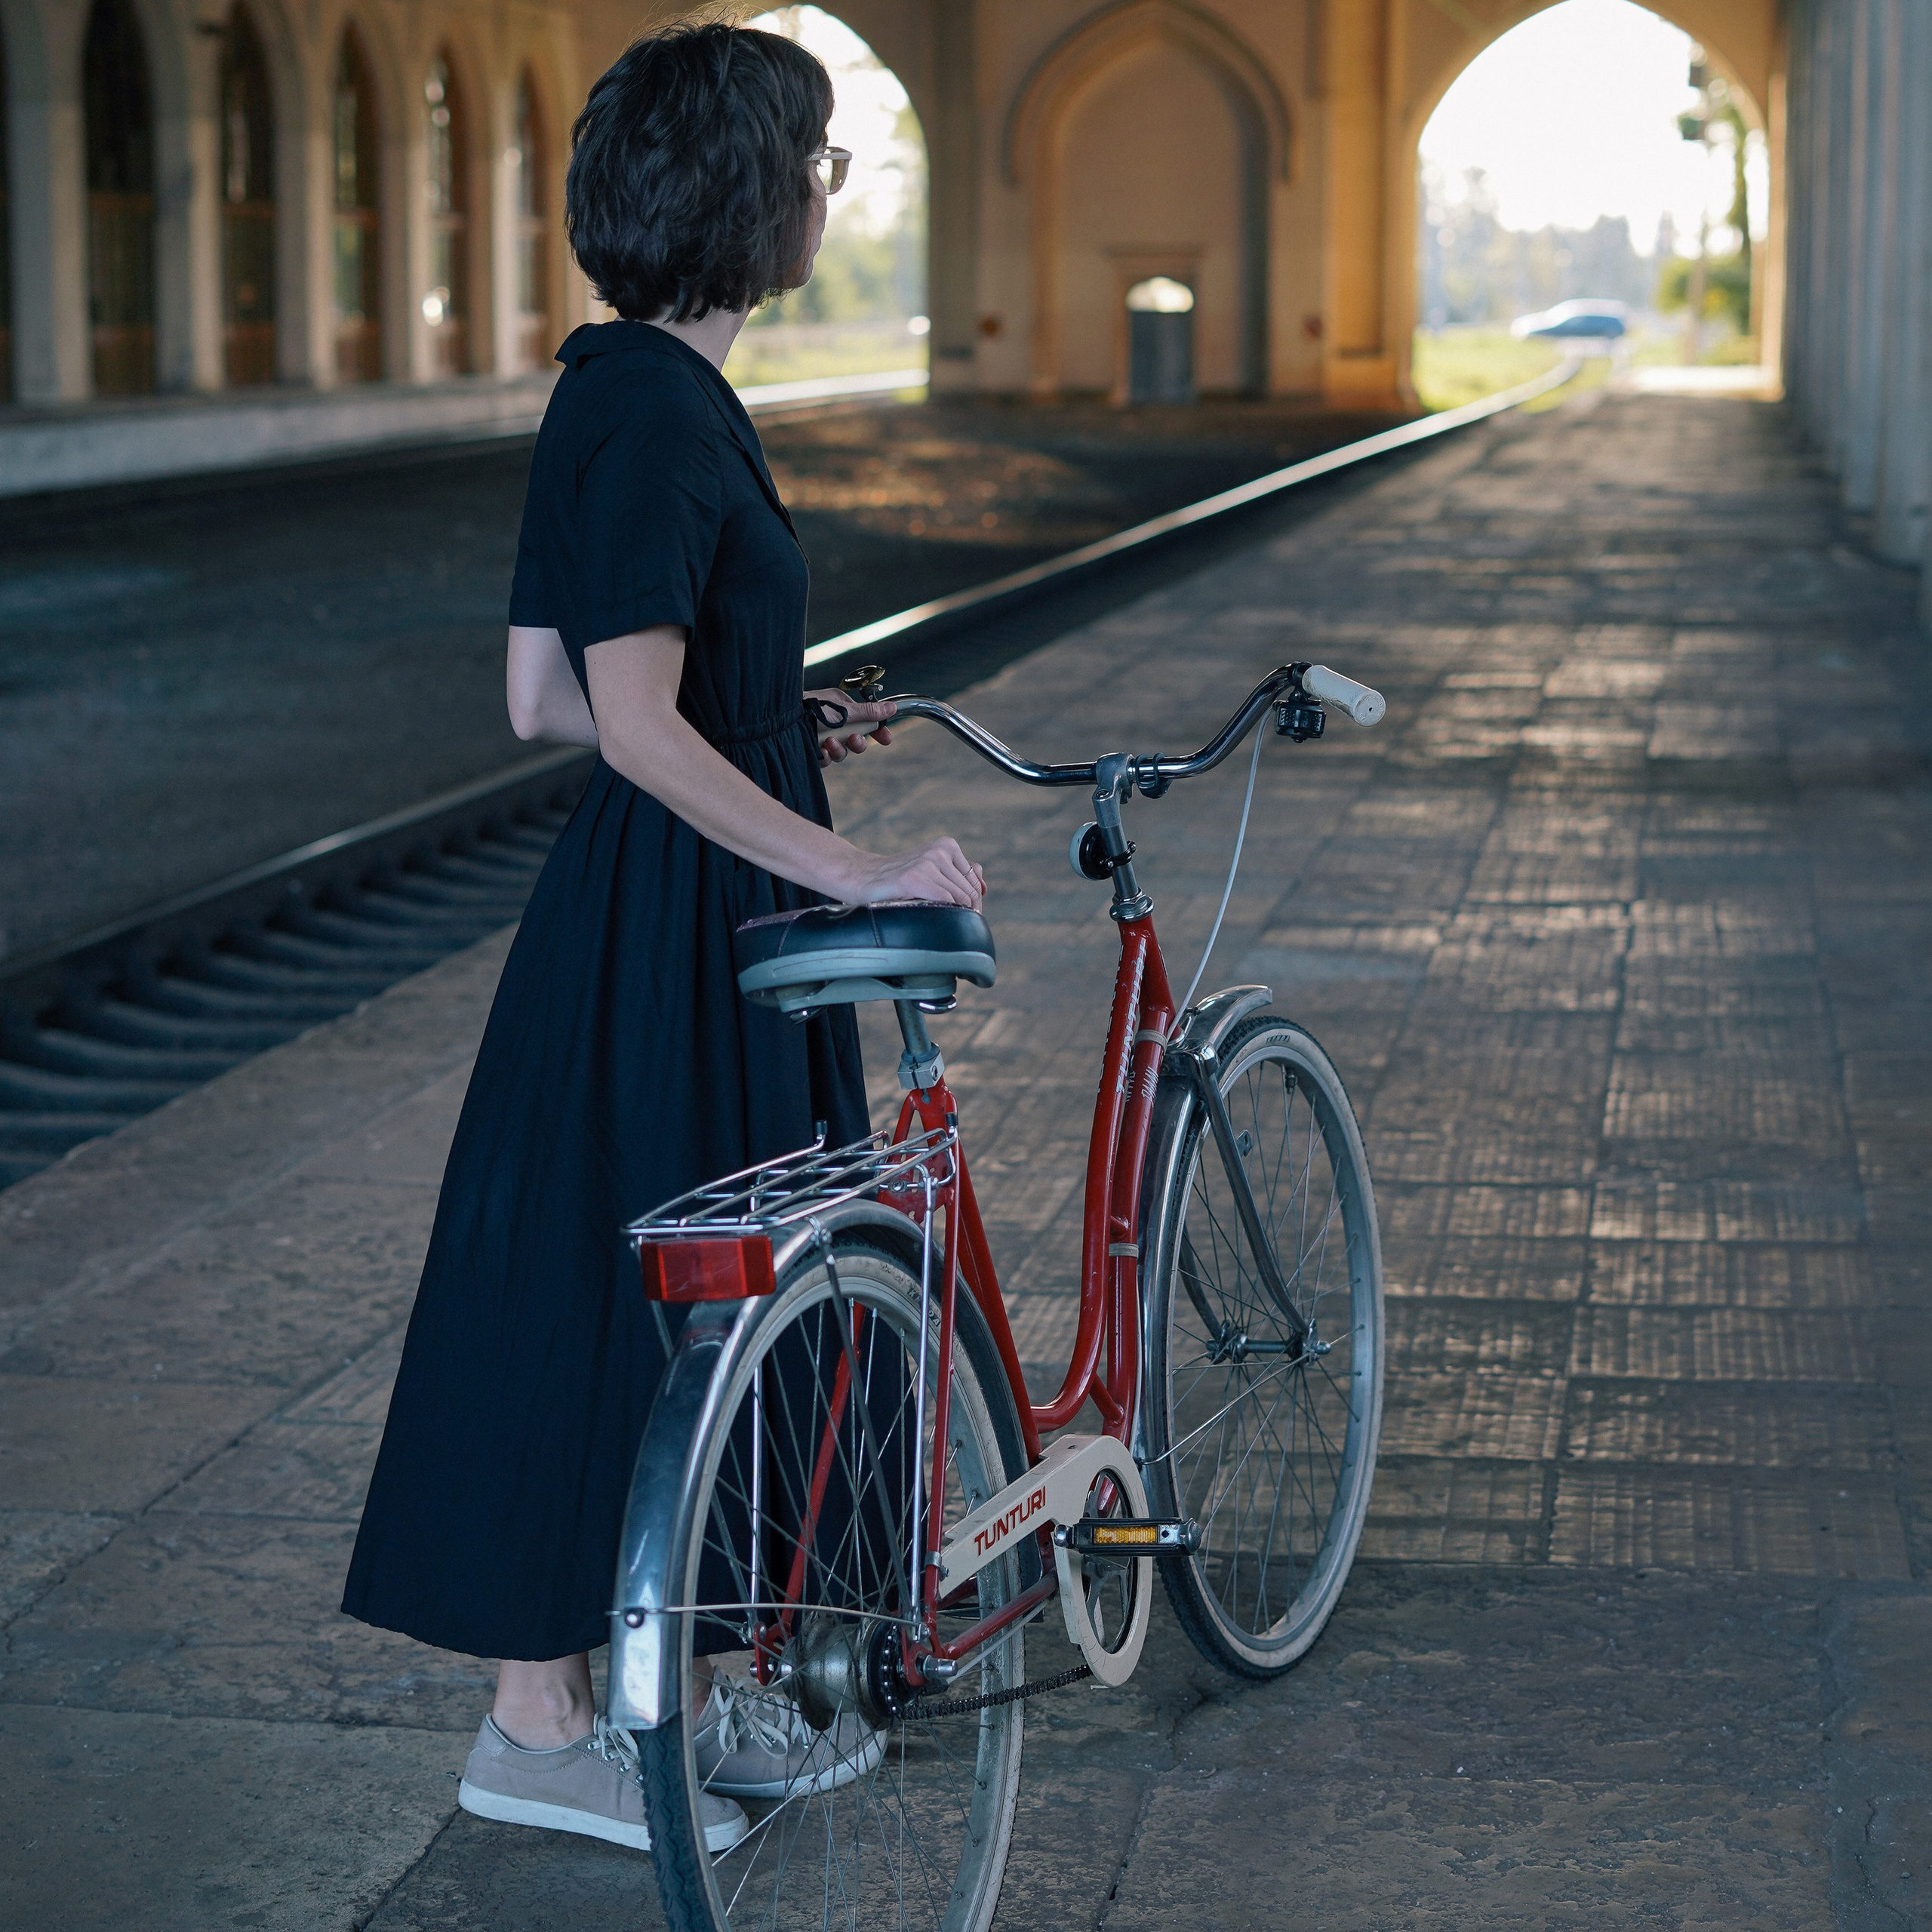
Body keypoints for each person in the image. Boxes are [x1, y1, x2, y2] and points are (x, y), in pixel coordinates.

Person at [340, 20, 985, 1855]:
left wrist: (778, 713)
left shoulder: (620, 388)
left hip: (667, 907)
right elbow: (617, 723)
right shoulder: (651, 410)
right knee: (664, 1302)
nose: (823, 192)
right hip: (688, 927)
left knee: (648, 1294)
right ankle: (540, 1724)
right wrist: (859, 875)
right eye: (816, 162)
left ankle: (675, 1696)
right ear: (747, 190)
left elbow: (544, 693)